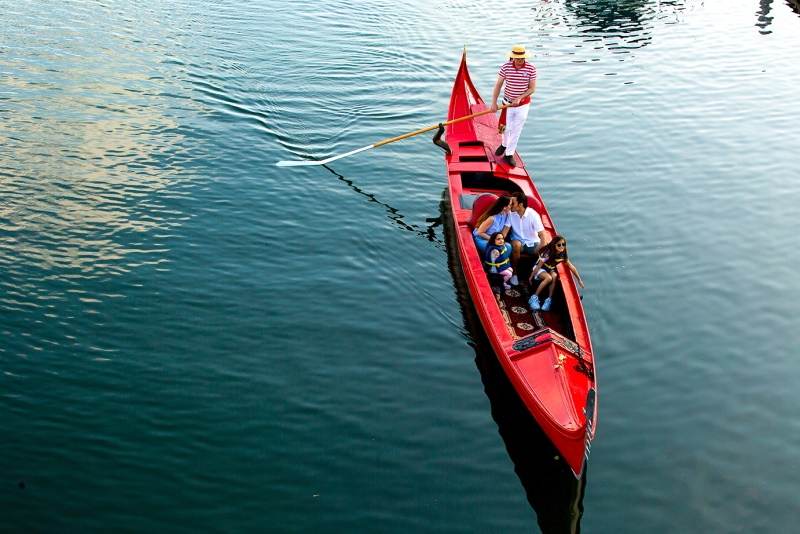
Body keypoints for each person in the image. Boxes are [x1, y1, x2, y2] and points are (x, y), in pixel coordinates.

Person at [490, 45, 537, 168]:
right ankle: (504, 144)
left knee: (516, 129)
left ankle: (509, 154)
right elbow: (498, 85)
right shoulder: (506, 67)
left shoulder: (531, 69)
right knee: (505, 127)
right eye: (517, 58)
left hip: (523, 105)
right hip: (507, 104)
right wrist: (494, 103)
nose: (519, 61)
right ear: (513, 57)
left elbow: (532, 89)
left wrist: (520, 98)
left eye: (522, 58)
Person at [528, 235, 584, 312]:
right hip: (539, 269)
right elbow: (538, 266)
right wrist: (531, 276)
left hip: (549, 269)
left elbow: (571, 266)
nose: (561, 246)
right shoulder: (548, 253)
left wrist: (579, 280)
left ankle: (549, 300)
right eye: (559, 245)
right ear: (554, 245)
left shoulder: (563, 254)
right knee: (549, 278)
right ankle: (534, 297)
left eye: (563, 244)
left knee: (554, 276)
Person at [508, 192, 549, 285]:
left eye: (512, 203)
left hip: (533, 244)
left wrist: (541, 249)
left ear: (520, 204)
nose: (510, 205)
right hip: (518, 244)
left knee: (545, 251)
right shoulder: (510, 214)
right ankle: (514, 273)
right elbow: (505, 231)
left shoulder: (533, 215)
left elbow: (542, 235)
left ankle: (538, 275)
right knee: (516, 245)